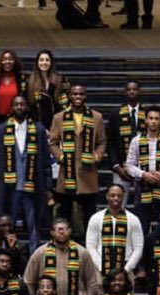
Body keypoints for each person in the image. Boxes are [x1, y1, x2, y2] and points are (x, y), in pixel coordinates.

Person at [49, 85, 106, 235]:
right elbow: (53, 142)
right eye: (74, 94)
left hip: (88, 173)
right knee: (65, 214)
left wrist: (96, 156)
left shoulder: (96, 117)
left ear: (85, 96)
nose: (78, 96)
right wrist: (61, 156)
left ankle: (89, 247)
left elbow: (101, 142)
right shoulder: (59, 117)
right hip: (67, 173)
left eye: (81, 94)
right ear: (69, 96)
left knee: (89, 216)